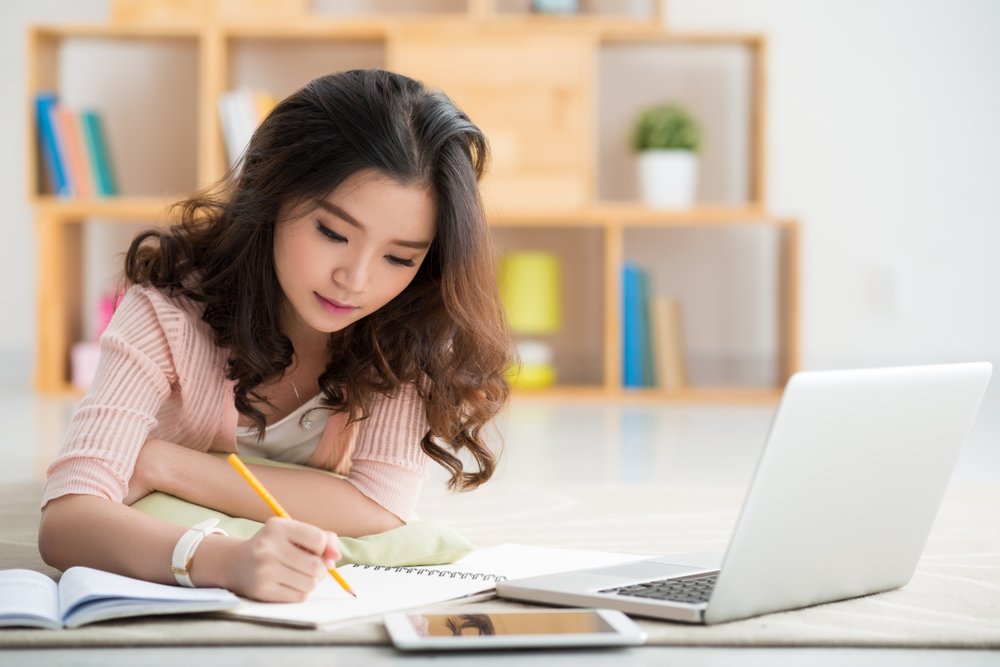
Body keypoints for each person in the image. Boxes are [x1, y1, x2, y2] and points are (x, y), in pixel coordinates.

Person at [37, 69, 513, 602]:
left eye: (399, 257)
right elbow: (66, 520)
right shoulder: (167, 308)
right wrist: (224, 561)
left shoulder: (413, 325)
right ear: (273, 195)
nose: (354, 280)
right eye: (333, 232)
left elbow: (380, 506)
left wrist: (161, 464)